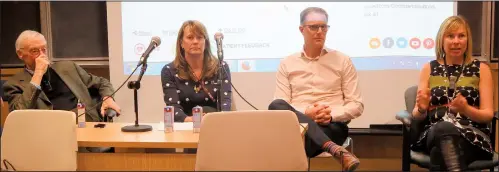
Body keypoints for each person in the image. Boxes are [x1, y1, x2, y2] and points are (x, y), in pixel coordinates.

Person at [268, 7, 363, 171]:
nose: (319, 32)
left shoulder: (342, 60)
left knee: (300, 141)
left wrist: (330, 115)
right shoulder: (287, 63)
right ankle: (335, 150)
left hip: (332, 126)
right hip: (297, 128)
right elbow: (281, 106)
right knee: (276, 104)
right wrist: (307, 113)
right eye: (313, 27)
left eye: (323, 27)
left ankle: (330, 145)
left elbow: (356, 105)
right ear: (301, 30)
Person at [411, 16, 495, 171]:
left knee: (439, 153)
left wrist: (466, 110)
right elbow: (417, 114)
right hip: (434, 131)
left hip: (471, 136)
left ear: (467, 40)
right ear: (441, 40)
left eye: (461, 36)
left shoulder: (482, 69)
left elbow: (488, 114)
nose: (456, 41)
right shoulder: (428, 68)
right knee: (443, 129)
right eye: (450, 36)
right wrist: (422, 108)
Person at [3, 30, 121, 122]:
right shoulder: (13, 84)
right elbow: (19, 114)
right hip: (51, 136)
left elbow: (101, 83)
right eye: (35, 51)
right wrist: (38, 74)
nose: (42, 55)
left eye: (44, 50)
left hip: (85, 125)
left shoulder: (68, 68)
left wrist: (108, 98)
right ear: (20, 54)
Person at [161, 20, 231, 122]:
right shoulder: (169, 71)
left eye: (199, 37)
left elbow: (225, 104)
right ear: (181, 43)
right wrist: (192, 120)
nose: (195, 41)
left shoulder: (221, 67)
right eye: (190, 37)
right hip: (184, 127)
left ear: (206, 43)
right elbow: (173, 108)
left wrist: (214, 120)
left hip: (214, 124)